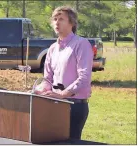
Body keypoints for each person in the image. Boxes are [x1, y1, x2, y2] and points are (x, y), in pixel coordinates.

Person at [34, 6, 93, 140]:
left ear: (71, 23)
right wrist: (37, 91)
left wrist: (63, 94)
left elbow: (84, 78)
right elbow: (48, 79)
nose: (56, 22)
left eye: (61, 19)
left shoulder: (81, 44)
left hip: (74, 105)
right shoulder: (52, 49)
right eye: (54, 19)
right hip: (53, 105)